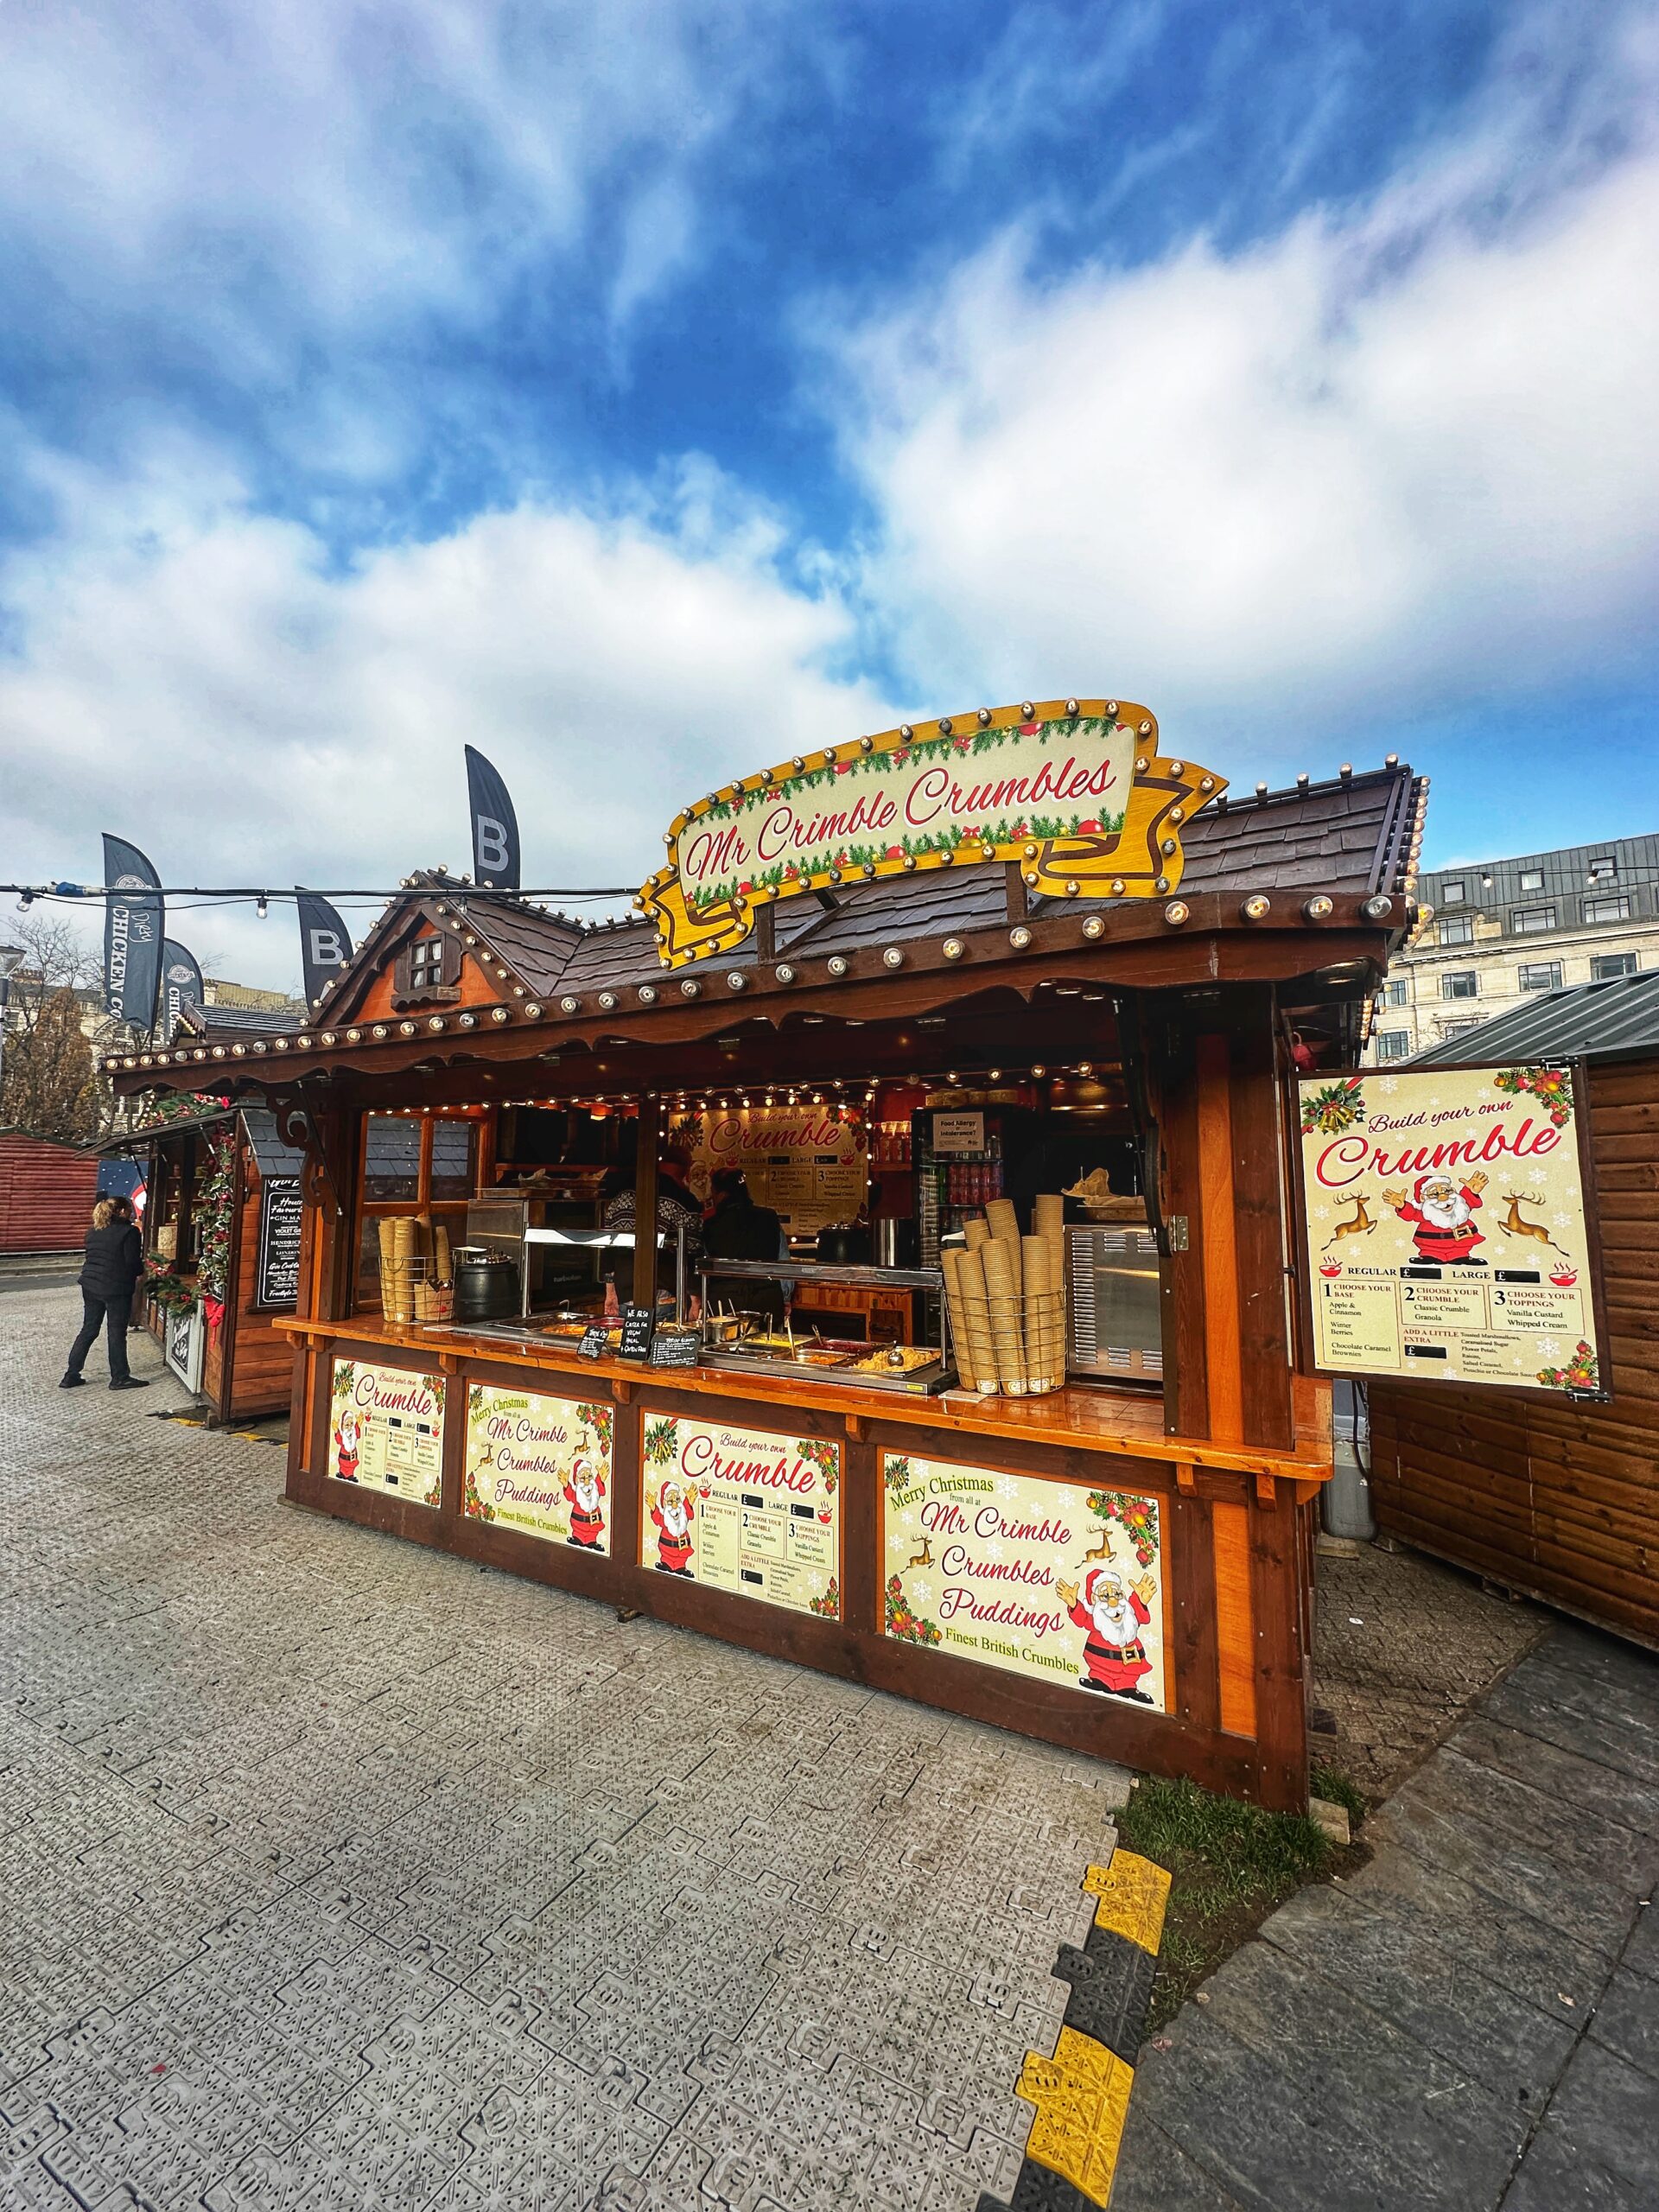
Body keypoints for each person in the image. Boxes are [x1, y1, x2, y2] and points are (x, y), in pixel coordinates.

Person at [62, 1195, 149, 1390]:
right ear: (120, 1211)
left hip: (90, 1285)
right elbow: (132, 1263)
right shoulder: (130, 1232)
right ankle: (120, 1377)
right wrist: (141, 1271)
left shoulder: (94, 1230)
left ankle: (71, 1375)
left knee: (89, 1329)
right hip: (116, 1289)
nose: (131, 1213)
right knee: (116, 1332)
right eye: (128, 1209)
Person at [601, 1142, 704, 1302]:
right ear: (686, 1170)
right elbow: (691, 1252)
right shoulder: (685, 1201)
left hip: (625, 1291)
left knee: (634, 1328)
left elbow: (608, 1246)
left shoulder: (622, 1195)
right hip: (665, 1292)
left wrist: (610, 1292)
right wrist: (696, 1300)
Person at [702, 1167, 791, 1323]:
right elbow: (783, 1261)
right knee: (767, 1345)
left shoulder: (710, 1225)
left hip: (724, 1300)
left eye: (712, 1190)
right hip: (766, 1297)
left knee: (723, 1346)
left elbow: (704, 1264)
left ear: (720, 1192)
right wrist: (785, 1297)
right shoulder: (769, 1217)